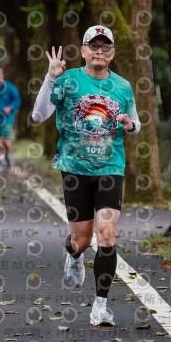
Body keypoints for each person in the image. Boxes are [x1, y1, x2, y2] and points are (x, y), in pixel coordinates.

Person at [31, 25, 140, 326]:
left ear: (112, 53)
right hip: (75, 168)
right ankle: (74, 255)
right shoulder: (68, 81)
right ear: (83, 51)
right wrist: (51, 76)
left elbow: (135, 121)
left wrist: (131, 125)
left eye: (106, 47)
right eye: (94, 46)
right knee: (80, 240)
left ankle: (100, 307)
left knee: (105, 236)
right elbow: (38, 115)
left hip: (110, 168)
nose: (99, 52)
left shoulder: (123, 86)